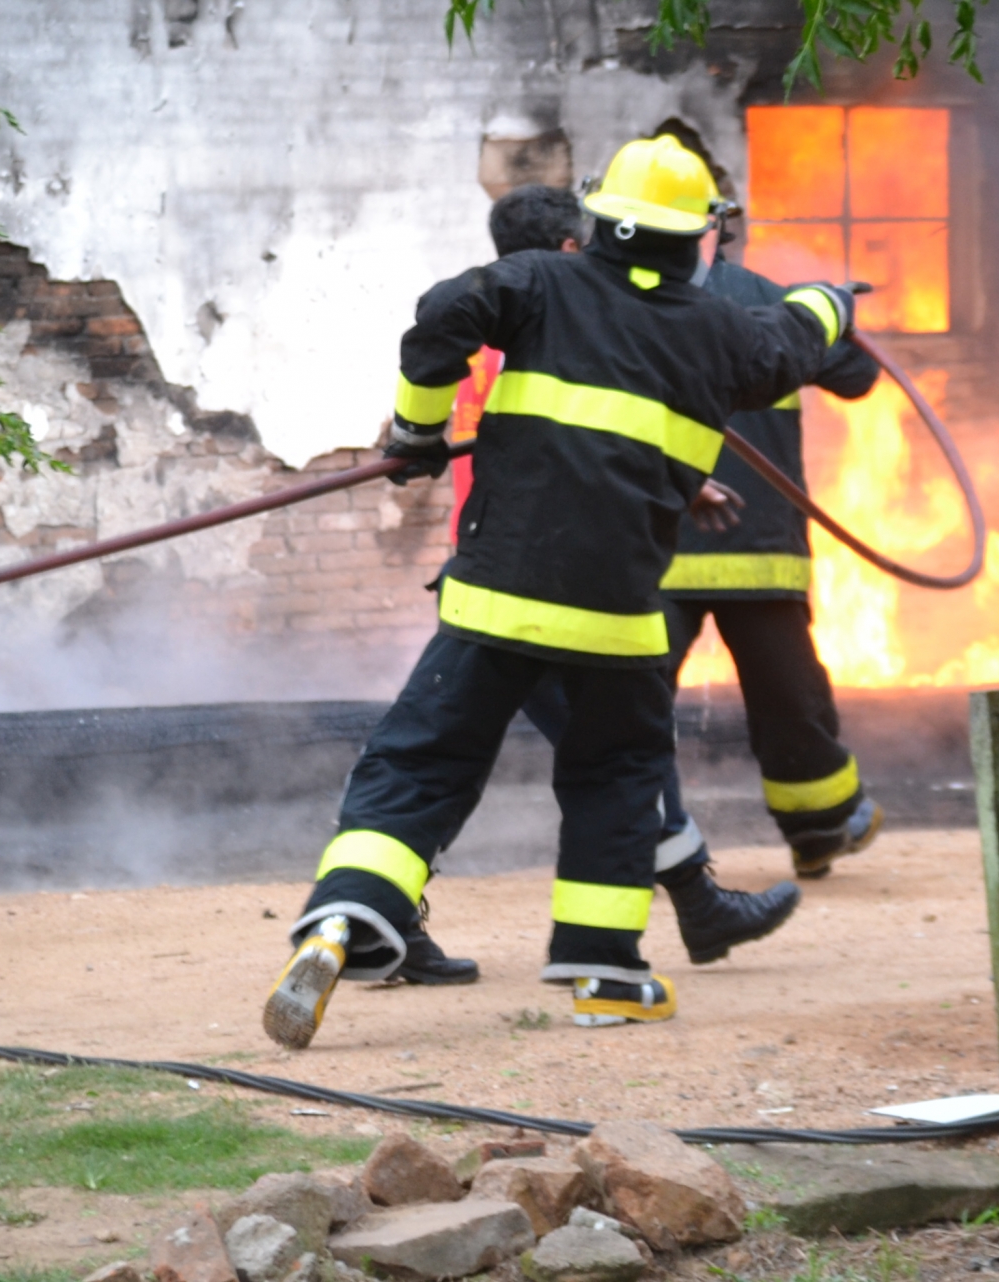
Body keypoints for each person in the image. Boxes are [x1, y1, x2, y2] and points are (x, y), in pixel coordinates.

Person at [261, 136, 858, 1047]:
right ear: (697, 238)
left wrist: (417, 432)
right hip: (616, 616)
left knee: (421, 764)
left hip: (491, 599)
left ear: (601, 217)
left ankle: (345, 919)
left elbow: (441, 313)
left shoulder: (540, 283)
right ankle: (606, 970)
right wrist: (832, 300)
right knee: (618, 776)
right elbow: (796, 339)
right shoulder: (721, 335)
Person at [659, 210, 889, 877]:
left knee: (635, 708)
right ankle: (819, 825)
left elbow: (853, 377)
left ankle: (814, 825)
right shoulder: (773, 303)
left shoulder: (620, 307)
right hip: (753, 548)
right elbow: (857, 376)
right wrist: (830, 315)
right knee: (790, 704)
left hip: (665, 550)